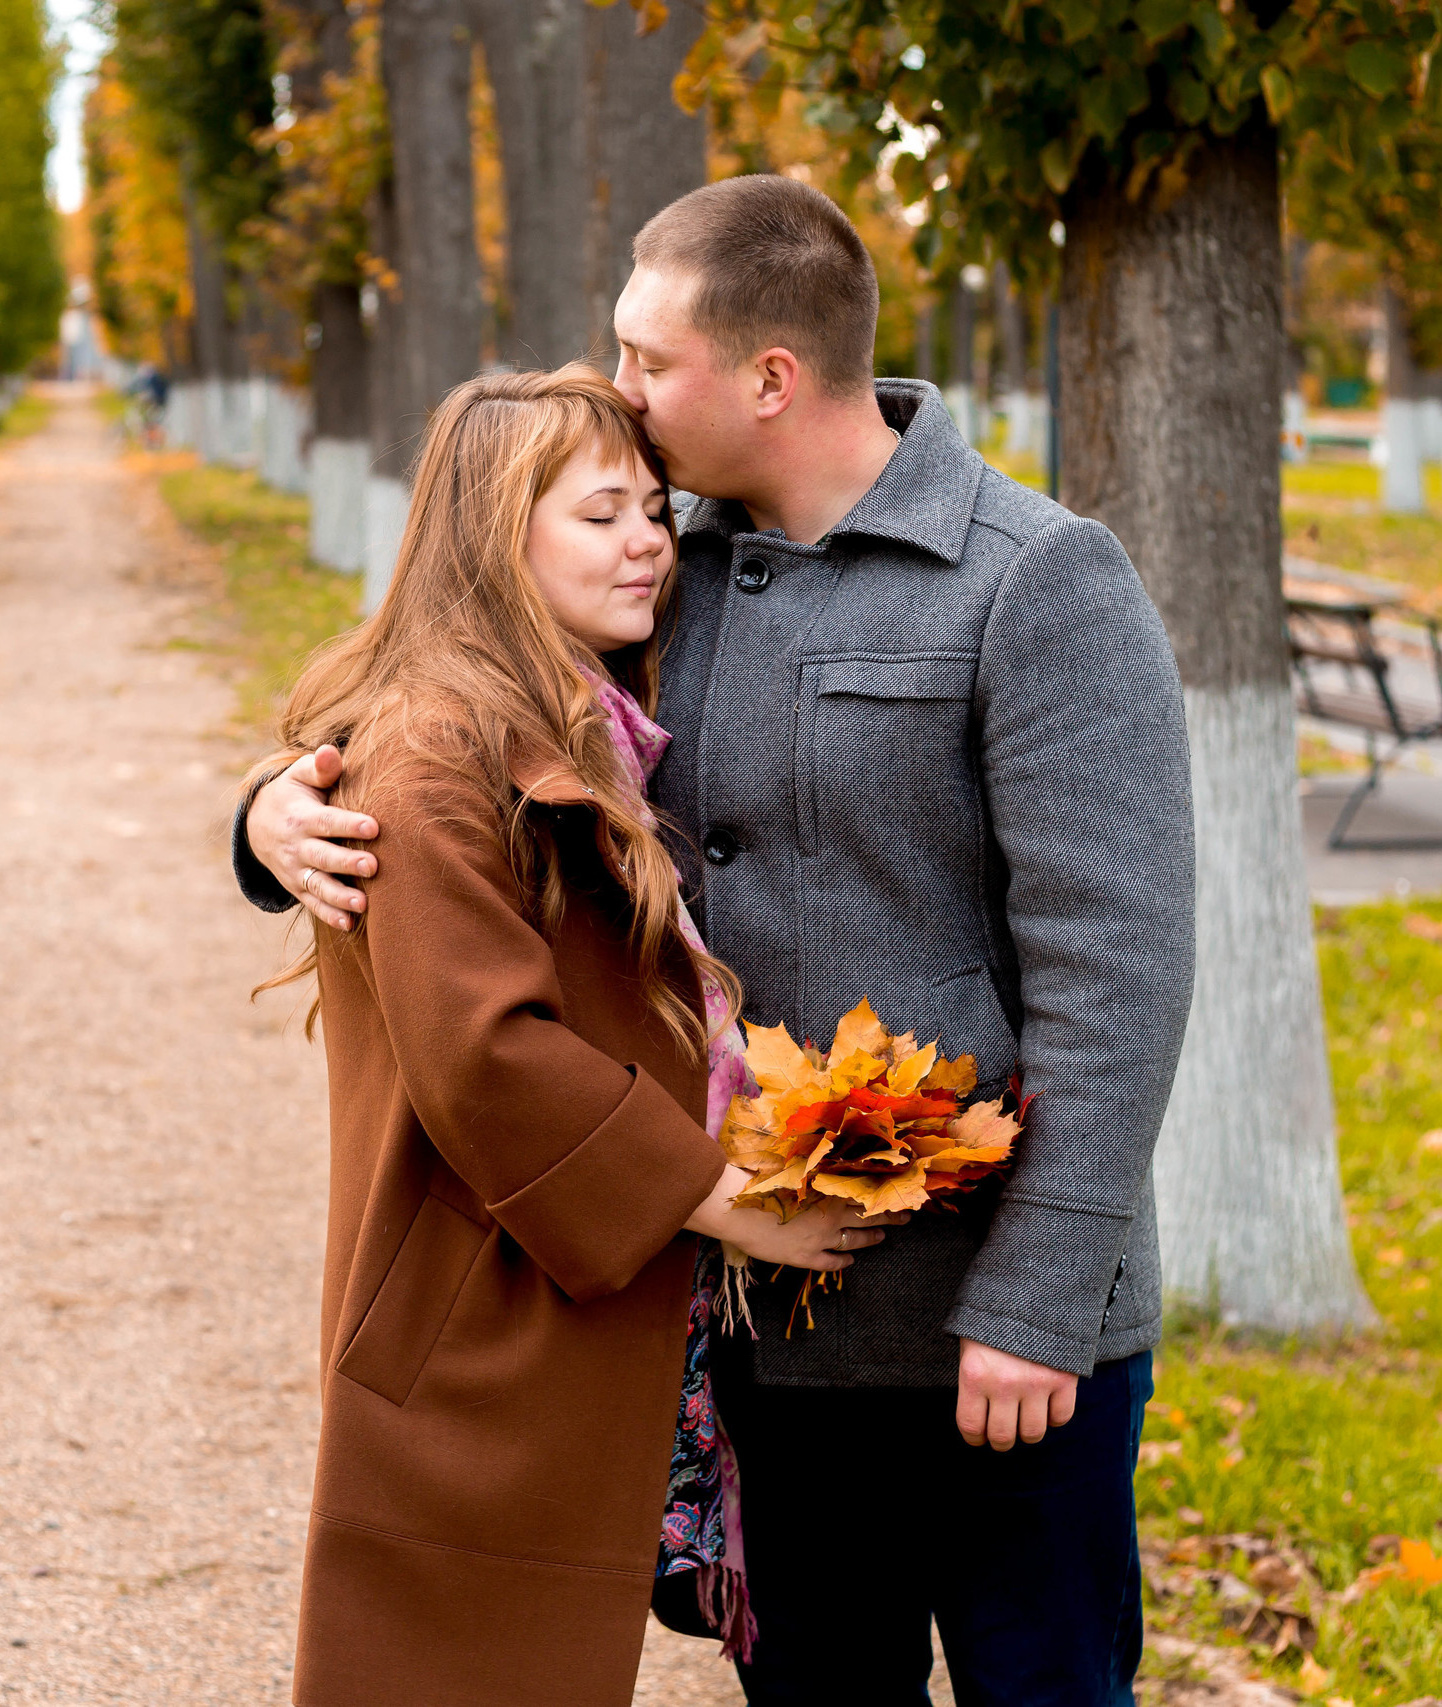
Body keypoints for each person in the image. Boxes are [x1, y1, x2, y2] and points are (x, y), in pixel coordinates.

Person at [240, 176, 1195, 1705]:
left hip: (989, 1324)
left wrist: (1039, 1300)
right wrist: (271, 814)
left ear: (766, 377)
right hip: (760, 1323)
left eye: (644, 359)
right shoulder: (648, 570)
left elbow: (1116, 968)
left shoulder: (1033, 579)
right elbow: (444, 699)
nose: (616, 388)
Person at [250, 363, 904, 1707]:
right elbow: (488, 1056)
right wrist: (732, 1204)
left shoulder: (583, 706)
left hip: (554, 1293)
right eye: (603, 514)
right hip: (481, 1306)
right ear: (497, 533)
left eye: (655, 509)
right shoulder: (434, 746)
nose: (651, 542)